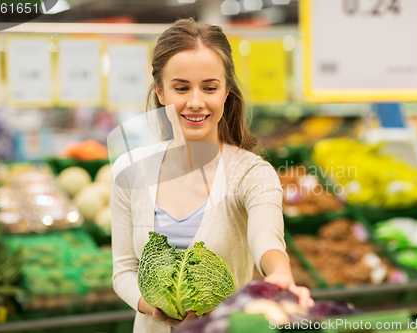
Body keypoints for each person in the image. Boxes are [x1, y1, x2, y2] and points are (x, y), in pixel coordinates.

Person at [111, 18, 314, 333]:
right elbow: (123, 270)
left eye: (209, 87)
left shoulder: (251, 173)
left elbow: (267, 238)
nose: (195, 101)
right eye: (181, 88)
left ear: (226, 92)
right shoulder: (129, 171)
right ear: (160, 91)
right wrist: (151, 306)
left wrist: (279, 274)